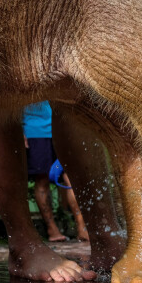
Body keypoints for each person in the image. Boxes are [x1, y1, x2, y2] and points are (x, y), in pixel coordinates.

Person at [23, 103, 89, 242]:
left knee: (71, 177)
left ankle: (82, 227)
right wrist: (20, 131)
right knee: (42, 180)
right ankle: (52, 229)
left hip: (62, 130)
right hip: (35, 131)